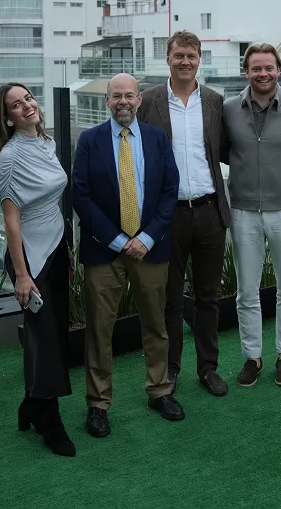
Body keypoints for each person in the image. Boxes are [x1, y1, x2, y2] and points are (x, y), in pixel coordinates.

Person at [72, 73, 183, 438]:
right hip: (105, 252)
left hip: (151, 248)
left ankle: (159, 391)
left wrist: (147, 237)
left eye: (129, 96)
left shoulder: (157, 138)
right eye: (116, 95)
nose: (123, 101)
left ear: (139, 100)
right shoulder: (88, 141)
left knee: (156, 323)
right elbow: (82, 198)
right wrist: (120, 241)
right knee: (100, 330)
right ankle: (98, 404)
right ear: (107, 100)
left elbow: (170, 191)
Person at [137, 31, 232, 398]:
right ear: (168, 58)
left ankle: (208, 368)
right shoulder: (150, 102)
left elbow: (222, 150)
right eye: (179, 55)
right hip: (167, 216)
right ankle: (171, 369)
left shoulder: (214, 101)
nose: (185, 61)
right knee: (171, 299)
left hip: (209, 211)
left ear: (200, 59)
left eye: (191, 55)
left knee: (208, 297)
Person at [221, 42, 281, 387]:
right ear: (245, 71)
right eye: (256, 68)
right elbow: (219, 150)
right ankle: (252, 357)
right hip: (244, 209)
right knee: (246, 290)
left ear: (279, 70)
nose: (263, 74)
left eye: (269, 68)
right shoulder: (229, 108)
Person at [0, 83, 75, 457]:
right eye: (16, 105)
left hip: (55, 249)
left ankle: (31, 402)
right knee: (46, 337)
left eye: (28, 99)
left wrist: (66, 251)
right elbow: (11, 223)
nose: (26, 106)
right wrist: (22, 275)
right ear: (7, 118)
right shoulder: (9, 158)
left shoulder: (46, 143)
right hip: (29, 259)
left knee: (52, 332)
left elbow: (54, 201)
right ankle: (49, 419)